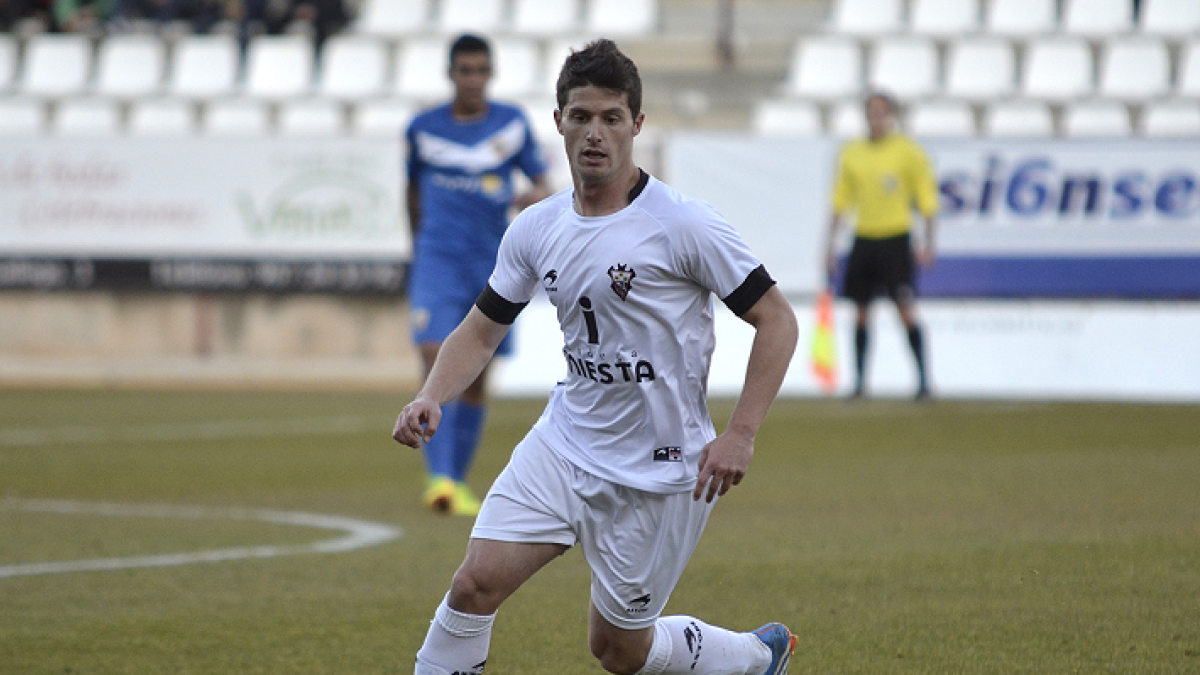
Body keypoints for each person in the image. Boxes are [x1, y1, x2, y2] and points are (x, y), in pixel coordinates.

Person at [393, 39, 801, 675]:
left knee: (617, 651)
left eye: (612, 118)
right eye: (581, 116)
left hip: (661, 470)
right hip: (565, 443)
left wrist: (741, 433)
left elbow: (776, 319)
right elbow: (479, 330)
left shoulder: (683, 225)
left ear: (637, 124)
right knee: (473, 586)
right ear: (558, 122)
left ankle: (752, 658)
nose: (595, 133)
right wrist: (430, 394)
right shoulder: (536, 226)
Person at [404, 33, 552, 516]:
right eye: (464, 70)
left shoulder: (510, 125)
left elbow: (542, 185)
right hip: (438, 257)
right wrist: (419, 244)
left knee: (477, 376)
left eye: (480, 70)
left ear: (491, 74)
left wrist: (517, 201)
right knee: (434, 354)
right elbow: (411, 192)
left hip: (492, 261)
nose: (473, 78)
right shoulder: (422, 129)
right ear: (450, 73)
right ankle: (440, 479)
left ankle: (457, 482)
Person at [824, 92, 938, 400]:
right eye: (871, 113)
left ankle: (924, 381)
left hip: (896, 238)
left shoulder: (908, 153)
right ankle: (860, 384)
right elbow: (840, 201)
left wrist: (929, 241)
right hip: (863, 238)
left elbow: (926, 199)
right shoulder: (852, 153)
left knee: (904, 308)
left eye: (881, 113)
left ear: (891, 116)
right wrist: (830, 247)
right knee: (860, 312)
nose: (876, 119)